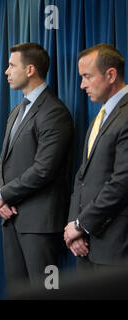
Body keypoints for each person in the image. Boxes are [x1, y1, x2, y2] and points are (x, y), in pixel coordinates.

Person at [0, 43, 73, 297]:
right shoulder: (17, 110)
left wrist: (5, 195)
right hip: (11, 219)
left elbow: (44, 169)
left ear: (30, 70)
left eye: (11, 65)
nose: (6, 71)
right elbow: (3, 161)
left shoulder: (54, 112)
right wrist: (0, 198)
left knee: (45, 293)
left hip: (40, 226)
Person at [64, 44, 128, 272]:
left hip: (115, 247)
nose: (82, 85)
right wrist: (75, 228)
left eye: (87, 77)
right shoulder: (99, 117)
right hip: (85, 246)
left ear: (110, 75)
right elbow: (82, 176)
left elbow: (122, 182)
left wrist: (82, 224)